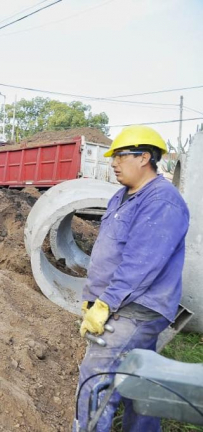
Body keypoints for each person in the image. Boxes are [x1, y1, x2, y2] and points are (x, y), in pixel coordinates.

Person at [74, 125, 190, 431]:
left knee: (95, 376)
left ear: (145, 158)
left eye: (121, 156)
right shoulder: (121, 196)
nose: (113, 162)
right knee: (138, 379)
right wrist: (93, 297)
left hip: (137, 308)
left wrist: (106, 304)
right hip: (122, 303)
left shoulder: (161, 202)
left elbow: (141, 265)